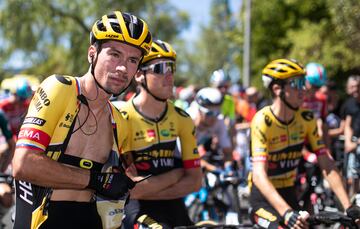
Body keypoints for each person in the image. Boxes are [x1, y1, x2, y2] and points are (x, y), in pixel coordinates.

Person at [12, 10, 152, 229]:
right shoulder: (60, 88)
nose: (122, 67)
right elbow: (23, 164)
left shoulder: (120, 121)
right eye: (114, 54)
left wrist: (141, 215)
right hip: (44, 220)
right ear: (92, 53)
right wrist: (96, 180)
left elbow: (126, 185)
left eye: (132, 59)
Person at [249, 58, 360, 229]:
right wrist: (286, 213)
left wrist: (348, 206)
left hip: (289, 193)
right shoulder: (262, 121)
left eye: (304, 83)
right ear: (278, 89)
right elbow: (259, 175)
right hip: (263, 199)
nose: (304, 89)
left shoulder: (306, 118)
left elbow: (327, 163)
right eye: (296, 83)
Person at [119, 39, 202, 228]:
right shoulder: (124, 117)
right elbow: (131, 189)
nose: (169, 76)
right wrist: (176, 175)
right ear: (139, 75)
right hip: (136, 208)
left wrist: (151, 187)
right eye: (160, 68)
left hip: (174, 205)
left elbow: (195, 181)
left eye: (171, 68)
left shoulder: (182, 118)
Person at [187, 87, 233, 172]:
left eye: (217, 112)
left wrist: (229, 169)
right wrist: (216, 170)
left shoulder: (219, 120)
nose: (214, 117)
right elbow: (186, 158)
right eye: (210, 113)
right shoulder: (187, 121)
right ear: (199, 110)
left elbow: (228, 153)